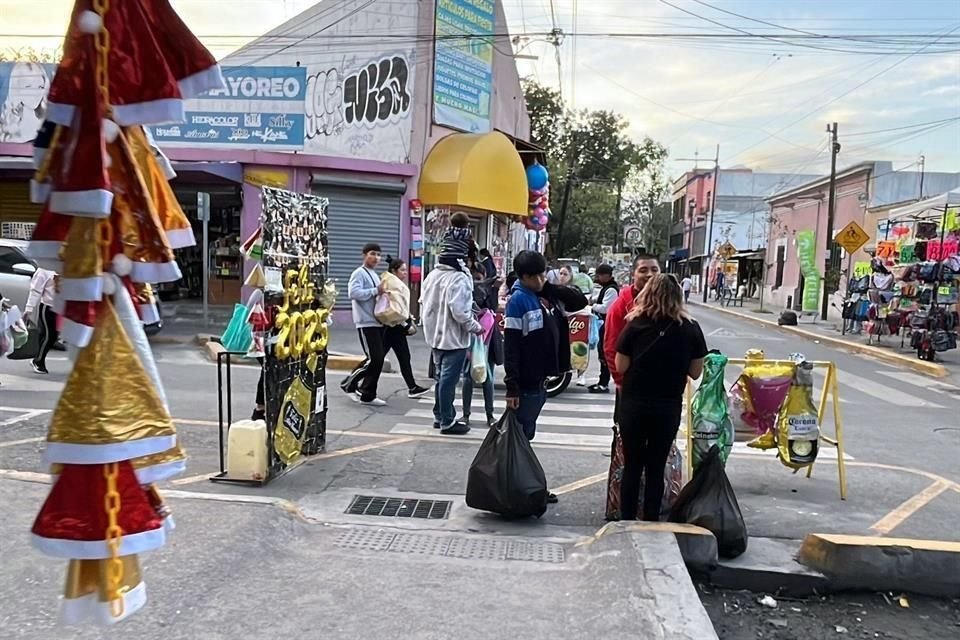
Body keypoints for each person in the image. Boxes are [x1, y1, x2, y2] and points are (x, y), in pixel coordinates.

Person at [614, 274, 706, 520]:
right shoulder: (691, 329)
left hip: (634, 404)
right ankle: (651, 518)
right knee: (656, 465)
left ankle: (627, 518)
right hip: (667, 406)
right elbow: (696, 372)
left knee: (633, 465)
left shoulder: (634, 324)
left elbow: (620, 366)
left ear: (648, 293)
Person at [504, 251, 587, 503]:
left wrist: (548, 287)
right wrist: (512, 387)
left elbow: (578, 301)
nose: (541, 279)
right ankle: (521, 489)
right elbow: (512, 346)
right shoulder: (518, 301)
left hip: (542, 380)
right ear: (523, 277)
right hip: (527, 382)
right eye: (536, 276)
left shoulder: (543, 295)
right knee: (521, 440)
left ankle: (523, 488)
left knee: (525, 437)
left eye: (544, 274)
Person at [421, 253, 483, 435]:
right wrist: (476, 327)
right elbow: (460, 312)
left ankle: (439, 415)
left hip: (434, 337)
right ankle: (447, 421)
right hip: (454, 338)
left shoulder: (432, 275)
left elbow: (423, 303)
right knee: (449, 380)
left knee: (441, 378)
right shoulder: (459, 279)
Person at [603, 253, 662, 423]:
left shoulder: (669, 304)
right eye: (643, 270)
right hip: (631, 386)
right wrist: (621, 382)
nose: (649, 274)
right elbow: (610, 346)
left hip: (663, 389)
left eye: (654, 270)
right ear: (633, 274)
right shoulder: (622, 305)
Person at [341, 243, 388, 406]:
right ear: (364, 255)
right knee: (374, 359)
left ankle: (368, 394)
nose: (376, 258)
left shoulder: (375, 274)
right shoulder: (359, 273)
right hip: (365, 322)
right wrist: (375, 291)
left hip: (377, 322)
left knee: (378, 360)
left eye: (378, 255)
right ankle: (349, 384)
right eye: (372, 254)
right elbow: (353, 293)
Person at [382, 258, 431, 398]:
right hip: (393, 326)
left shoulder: (395, 283)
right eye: (402, 270)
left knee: (399, 358)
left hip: (395, 326)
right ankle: (355, 383)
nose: (405, 273)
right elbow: (396, 308)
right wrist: (406, 322)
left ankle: (412, 387)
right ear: (394, 271)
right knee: (380, 358)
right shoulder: (393, 284)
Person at [462, 263, 496, 427]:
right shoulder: (465, 295)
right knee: (468, 379)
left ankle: (490, 414)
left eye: (479, 279)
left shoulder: (490, 293)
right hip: (470, 343)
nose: (476, 283)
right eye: (473, 279)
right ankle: (466, 414)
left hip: (487, 343)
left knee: (488, 379)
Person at [588, 264, 619, 394]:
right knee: (601, 352)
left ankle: (604, 383)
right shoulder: (606, 288)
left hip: (608, 325)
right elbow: (598, 298)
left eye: (600, 275)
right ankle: (602, 381)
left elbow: (606, 308)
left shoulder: (611, 290)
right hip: (603, 324)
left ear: (607, 275)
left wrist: (592, 306)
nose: (598, 277)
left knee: (604, 352)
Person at [24, 267, 58, 375]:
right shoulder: (44, 270)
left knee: (51, 336)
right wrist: (29, 309)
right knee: (50, 335)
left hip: (61, 307)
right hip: (48, 307)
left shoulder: (65, 266)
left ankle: (37, 356)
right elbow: (35, 290)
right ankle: (38, 361)